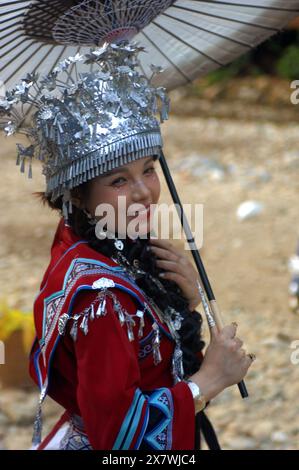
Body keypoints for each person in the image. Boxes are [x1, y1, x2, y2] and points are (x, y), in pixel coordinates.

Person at [1, 41, 254, 450]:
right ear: (78, 196)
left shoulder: (119, 248)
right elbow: (116, 437)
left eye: (149, 170)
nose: (143, 193)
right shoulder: (100, 299)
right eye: (118, 180)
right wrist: (208, 381)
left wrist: (186, 302)